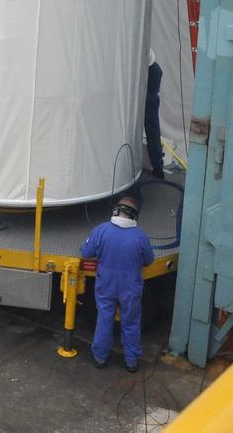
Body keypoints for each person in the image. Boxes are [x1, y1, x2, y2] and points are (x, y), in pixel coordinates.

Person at [81, 195, 155, 372]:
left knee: (105, 318)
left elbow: (86, 252)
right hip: (130, 286)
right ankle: (131, 361)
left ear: (116, 211)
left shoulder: (102, 230)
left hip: (106, 284)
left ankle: (100, 357)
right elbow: (149, 260)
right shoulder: (141, 236)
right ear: (134, 216)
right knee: (131, 321)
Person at [145, 49, 165, 178]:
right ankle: (158, 167)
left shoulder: (152, 70)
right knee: (153, 130)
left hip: (150, 72)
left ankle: (158, 168)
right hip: (151, 70)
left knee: (152, 128)